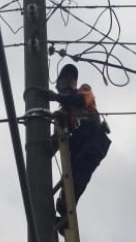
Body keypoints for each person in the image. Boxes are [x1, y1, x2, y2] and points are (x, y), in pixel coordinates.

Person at [47, 63, 111, 219]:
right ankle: (64, 216)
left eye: (72, 79)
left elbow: (81, 100)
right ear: (58, 85)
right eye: (65, 79)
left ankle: (66, 209)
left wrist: (56, 97)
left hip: (94, 139)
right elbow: (54, 143)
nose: (70, 82)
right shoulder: (61, 114)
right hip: (78, 145)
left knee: (78, 176)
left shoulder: (84, 91)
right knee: (71, 184)